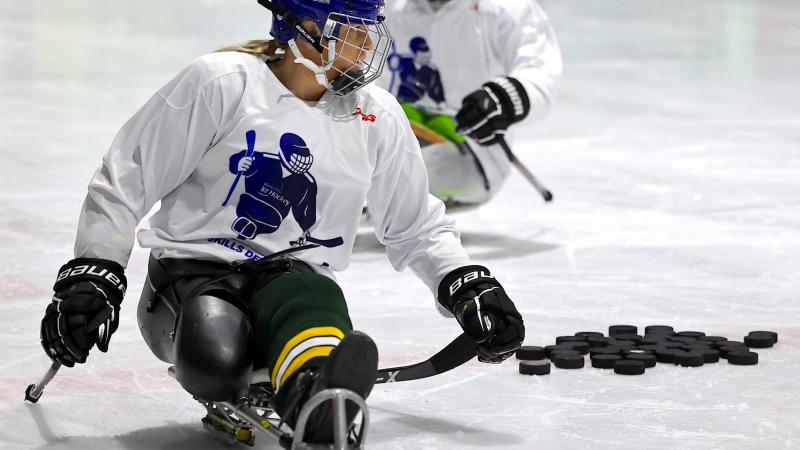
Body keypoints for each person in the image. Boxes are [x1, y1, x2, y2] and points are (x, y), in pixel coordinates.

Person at [37, 0, 525, 444]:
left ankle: (315, 393)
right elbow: (126, 179)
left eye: (372, 28)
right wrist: (93, 274)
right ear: (305, 28)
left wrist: (466, 285)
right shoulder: (222, 82)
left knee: (313, 298)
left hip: (293, 278)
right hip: (191, 276)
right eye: (353, 29)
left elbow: (416, 223)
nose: (369, 44)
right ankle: (286, 368)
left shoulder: (376, 116)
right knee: (217, 360)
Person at [379, 0, 563, 208]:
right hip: (402, 128)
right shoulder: (389, 7)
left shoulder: (505, 8)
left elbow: (540, 72)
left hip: (474, 150)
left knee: (387, 177)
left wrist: (504, 98)